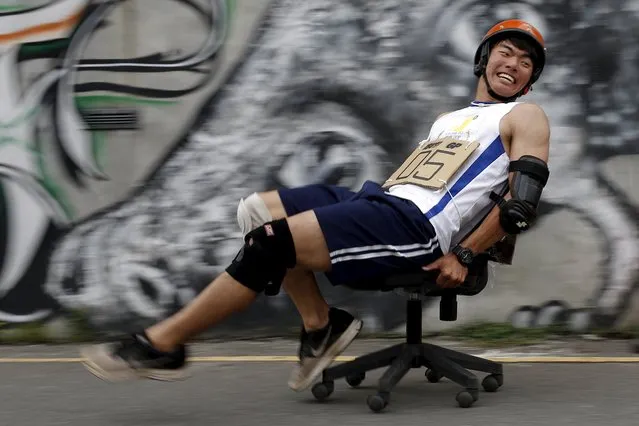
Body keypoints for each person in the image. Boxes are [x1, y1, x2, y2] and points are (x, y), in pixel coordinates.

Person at [80, 19, 551, 392]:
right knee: (259, 211)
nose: (513, 63)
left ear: (529, 80)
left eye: (526, 62)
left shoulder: (525, 115)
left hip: (416, 228)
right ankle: (321, 325)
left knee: (269, 245)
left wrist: (466, 254)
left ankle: (163, 343)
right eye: (505, 52)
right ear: (484, 59)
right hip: (384, 200)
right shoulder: (450, 118)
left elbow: (519, 203)